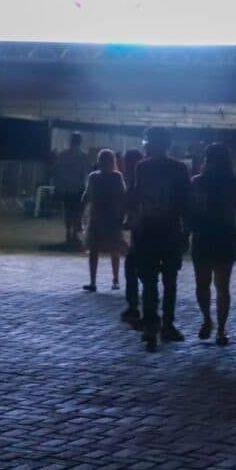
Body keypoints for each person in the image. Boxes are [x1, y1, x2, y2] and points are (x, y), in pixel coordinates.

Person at [128, 126, 190, 352]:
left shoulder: (142, 167)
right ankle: (165, 324)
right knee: (168, 280)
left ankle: (152, 325)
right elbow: (185, 203)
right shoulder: (179, 168)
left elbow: (137, 199)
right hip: (168, 229)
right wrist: (186, 232)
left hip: (149, 229)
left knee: (150, 281)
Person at [189, 142, 236, 346]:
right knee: (219, 285)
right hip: (223, 235)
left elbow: (192, 210)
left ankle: (211, 322)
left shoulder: (198, 182)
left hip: (204, 235)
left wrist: (185, 232)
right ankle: (219, 327)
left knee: (205, 283)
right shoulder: (234, 184)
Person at [81, 149, 126, 292]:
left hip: (108, 216)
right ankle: (96, 281)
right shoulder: (99, 177)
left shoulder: (110, 177)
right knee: (99, 249)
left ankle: (114, 279)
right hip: (101, 216)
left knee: (112, 249)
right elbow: (87, 195)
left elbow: (121, 196)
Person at [119, 148, 144, 329]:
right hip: (141, 230)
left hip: (142, 231)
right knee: (136, 268)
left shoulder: (135, 183)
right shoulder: (136, 181)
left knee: (134, 268)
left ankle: (134, 305)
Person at [55, 131, 88, 247]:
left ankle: (68, 233)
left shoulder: (63, 155)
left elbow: (58, 173)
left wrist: (58, 187)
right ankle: (75, 234)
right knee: (77, 212)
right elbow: (85, 173)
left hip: (66, 188)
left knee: (68, 212)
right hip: (78, 188)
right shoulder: (84, 156)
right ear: (80, 141)